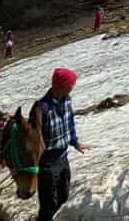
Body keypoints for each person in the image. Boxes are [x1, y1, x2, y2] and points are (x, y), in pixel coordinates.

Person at [37, 68, 89, 221]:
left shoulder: (67, 100)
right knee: (48, 204)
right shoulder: (42, 108)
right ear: (60, 86)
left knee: (63, 196)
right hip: (47, 163)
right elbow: (34, 139)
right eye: (70, 86)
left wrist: (75, 142)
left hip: (63, 158)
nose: (72, 88)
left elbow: (69, 122)